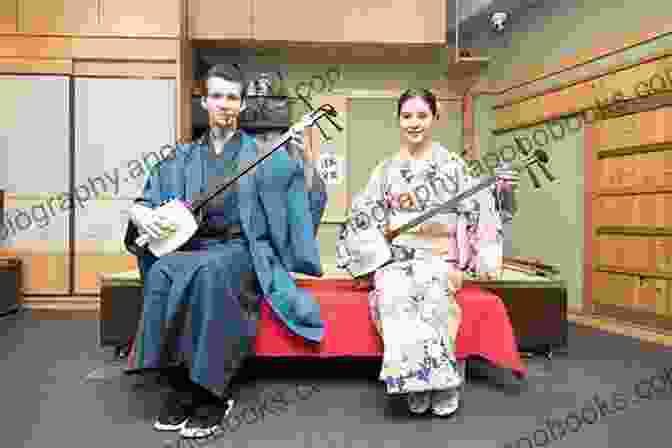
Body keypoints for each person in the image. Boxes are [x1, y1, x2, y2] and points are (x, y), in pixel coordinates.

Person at [122, 64, 328, 438]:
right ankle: (180, 383)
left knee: (210, 271)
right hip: (193, 246)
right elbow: (145, 199)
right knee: (165, 269)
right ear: (204, 101)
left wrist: (304, 164)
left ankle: (211, 391)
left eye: (232, 97)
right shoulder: (183, 156)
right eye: (217, 96)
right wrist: (139, 212)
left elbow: (305, 193)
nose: (225, 104)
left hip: (239, 249)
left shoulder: (261, 153)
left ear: (243, 103)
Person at [338, 88, 525, 417]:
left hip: (442, 258)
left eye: (422, 116)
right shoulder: (386, 170)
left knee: (431, 288)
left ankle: (444, 382)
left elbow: (478, 208)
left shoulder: (452, 166)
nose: (414, 123)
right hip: (397, 258)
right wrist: (373, 253)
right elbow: (364, 214)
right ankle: (417, 381)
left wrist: (481, 258)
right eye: (407, 116)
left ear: (435, 118)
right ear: (398, 120)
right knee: (394, 292)